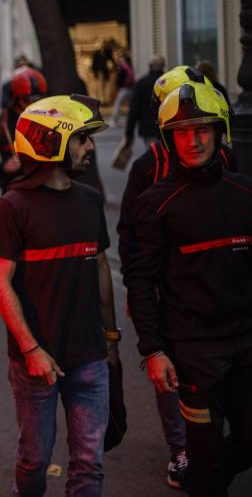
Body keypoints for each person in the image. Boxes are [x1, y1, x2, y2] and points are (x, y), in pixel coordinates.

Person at [0, 94, 119, 496]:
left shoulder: (90, 200)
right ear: (52, 144)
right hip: (35, 363)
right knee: (34, 459)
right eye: (81, 139)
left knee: (88, 464)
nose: (90, 148)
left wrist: (111, 341)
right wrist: (31, 349)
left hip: (90, 357)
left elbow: (99, 269)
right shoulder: (11, 208)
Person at [126, 81, 252, 496]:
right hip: (194, 353)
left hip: (246, 346)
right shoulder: (155, 203)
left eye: (202, 130)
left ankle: (204, 477)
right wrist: (153, 351)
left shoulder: (245, 194)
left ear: (219, 132)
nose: (193, 141)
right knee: (207, 458)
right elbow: (141, 282)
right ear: (169, 137)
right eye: (182, 132)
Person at [0, 67, 48, 193]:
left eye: (38, 100)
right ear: (16, 98)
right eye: (28, 100)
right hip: (13, 190)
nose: (33, 105)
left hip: (44, 189)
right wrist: (2, 167)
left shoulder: (47, 119)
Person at [124, 54, 166, 150]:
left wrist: (129, 132)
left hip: (148, 127)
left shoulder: (142, 83)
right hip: (166, 126)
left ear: (150, 65)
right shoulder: (168, 81)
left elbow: (134, 109)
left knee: (153, 155)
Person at [111, 50, 135, 126]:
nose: (119, 59)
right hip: (131, 87)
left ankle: (115, 119)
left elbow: (120, 78)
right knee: (131, 104)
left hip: (125, 88)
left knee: (117, 102)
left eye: (121, 58)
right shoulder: (129, 66)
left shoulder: (123, 67)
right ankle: (133, 118)